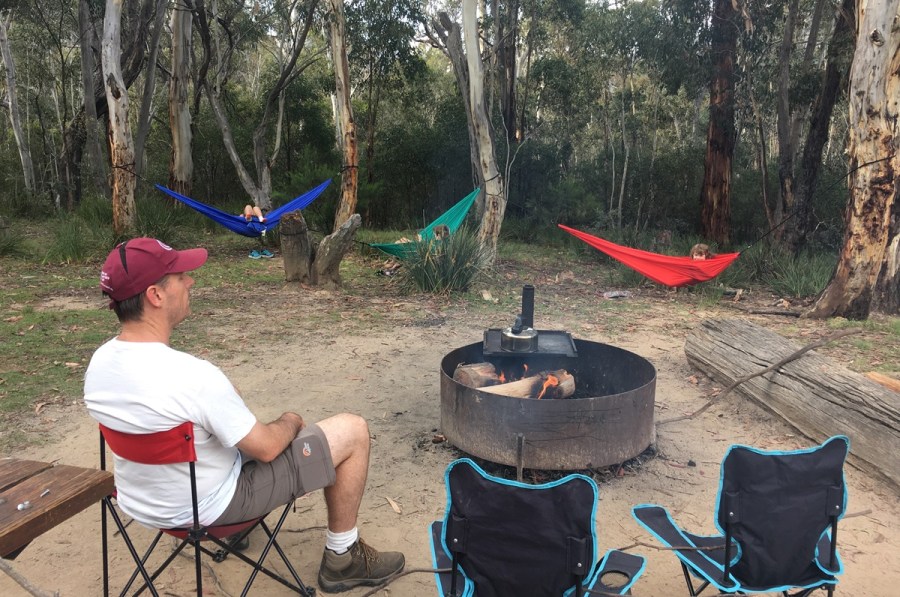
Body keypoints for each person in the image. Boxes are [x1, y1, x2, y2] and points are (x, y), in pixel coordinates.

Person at [85, 238, 405, 593]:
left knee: (229, 430)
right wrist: (292, 420)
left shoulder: (99, 364)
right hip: (209, 510)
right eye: (179, 276)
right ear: (155, 296)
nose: (190, 281)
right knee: (353, 431)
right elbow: (267, 448)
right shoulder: (194, 376)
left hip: (143, 504)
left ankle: (238, 535)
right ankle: (342, 559)